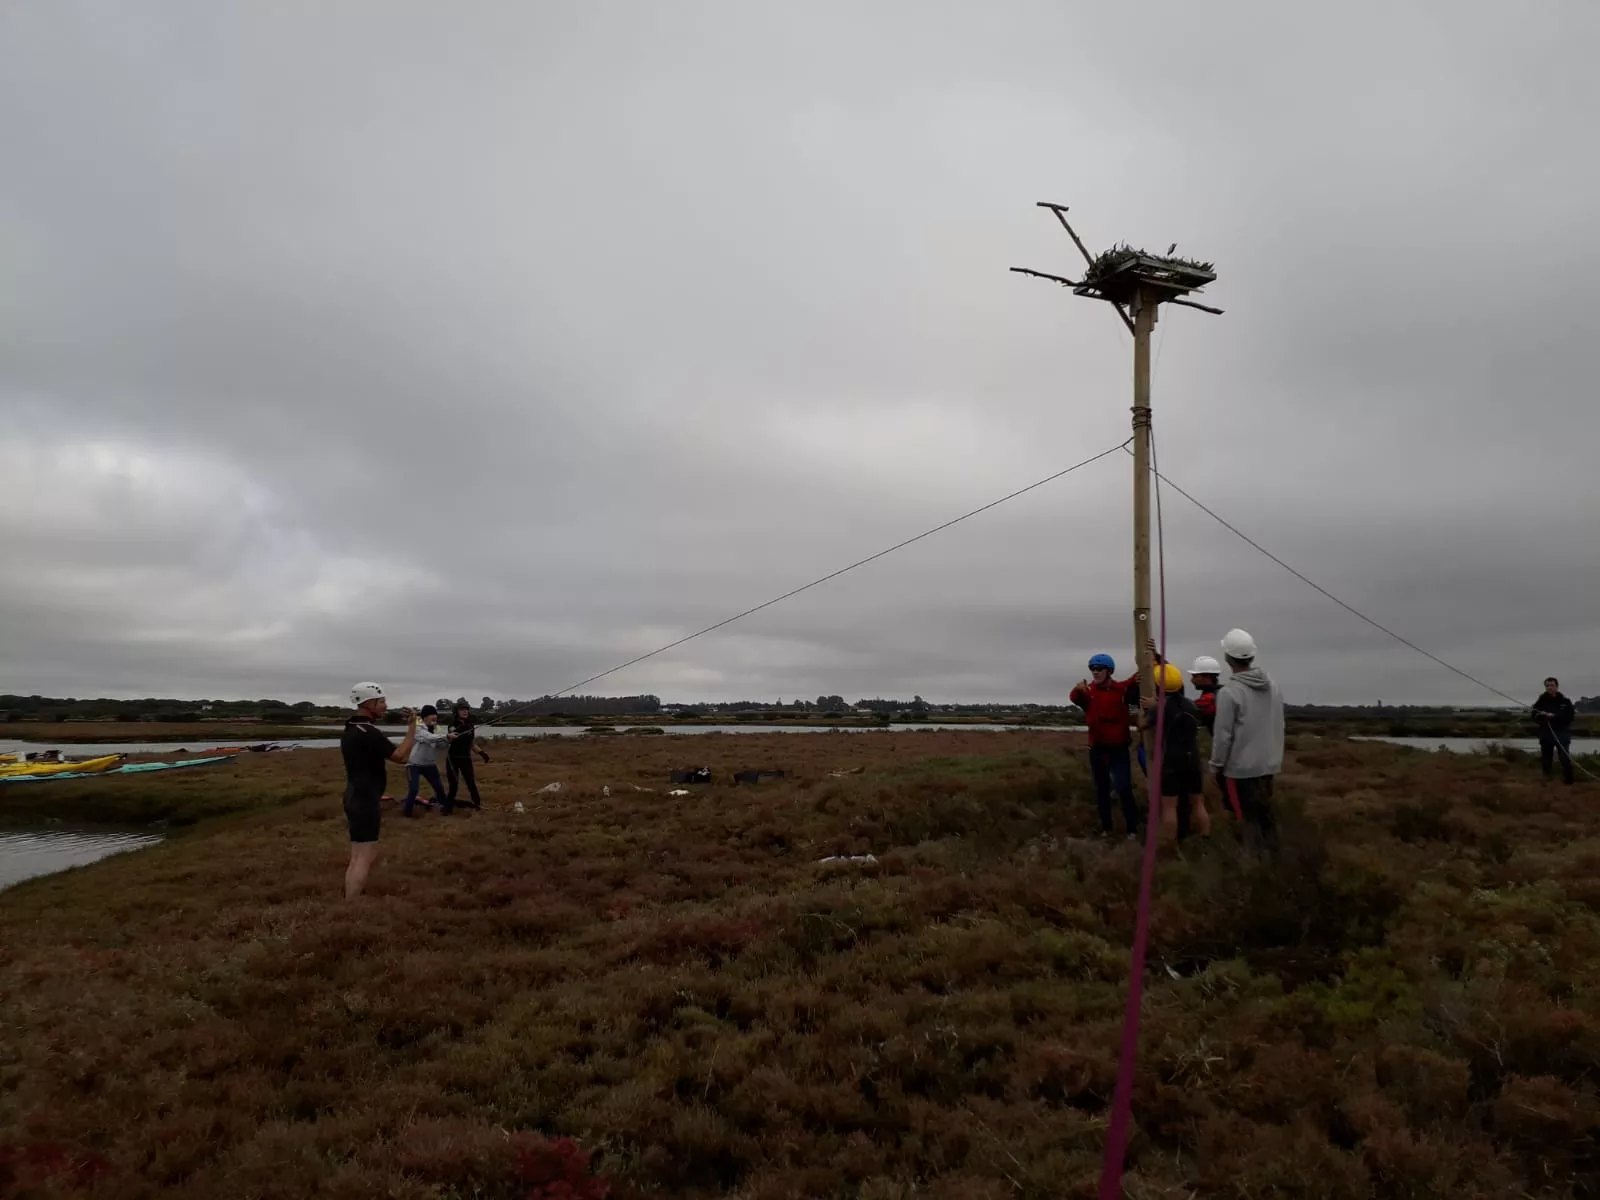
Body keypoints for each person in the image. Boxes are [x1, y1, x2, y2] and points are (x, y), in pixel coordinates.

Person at [1209, 628, 1285, 852]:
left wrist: (1216, 767)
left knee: (1247, 820)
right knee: (1265, 816)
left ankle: (1254, 867)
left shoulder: (1229, 692)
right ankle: (1275, 862)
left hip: (1240, 770)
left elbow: (1223, 736)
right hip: (1268, 765)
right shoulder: (1272, 685)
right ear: (1252, 655)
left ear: (1226, 657)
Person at [342, 682, 419, 899]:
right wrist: (413, 726)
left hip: (355, 795)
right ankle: (351, 906)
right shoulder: (368, 732)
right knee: (364, 856)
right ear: (369, 703)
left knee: (358, 855)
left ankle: (351, 899)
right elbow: (401, 757)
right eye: (382, 701)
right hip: (365, 799)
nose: (386, 706)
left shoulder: (352, 728)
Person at [1070, 653, 1141, 838]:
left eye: (1099, 669)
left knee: (1123, 787)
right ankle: (1106, 829)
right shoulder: (1088, 692)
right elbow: (1075, 697)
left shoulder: (1121, 689)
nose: (1095, 672)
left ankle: (1132, 828)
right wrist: (1078, 691)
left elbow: (1143, 673)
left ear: (1109, 671)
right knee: (1101, 789)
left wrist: (1152, 654)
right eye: (1093, 669)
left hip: (1119, 749)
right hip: (1097, 749)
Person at [1143, 662, 1206, 843]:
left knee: (1169, 806)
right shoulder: (1191, 706)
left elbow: (1143, 726)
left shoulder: (1159, 708)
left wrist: (1146, 711)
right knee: (1198, 803)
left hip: (1172, 760)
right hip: (1192, 758)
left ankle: (1169, 845)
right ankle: (1205, 840)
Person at [402, 705, 451, 816]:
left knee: (439, 787)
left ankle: (443, 809)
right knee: (414, 789)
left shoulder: (437, 729)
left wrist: (449, 740)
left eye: (435, 715)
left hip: (430, 764)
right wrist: (446, 737)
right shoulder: (418, 728)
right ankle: (407, 813)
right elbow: (428, 737)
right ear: (424, 718)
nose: (434, 717)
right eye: (431, 715)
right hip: (413, 764)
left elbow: (442, 745)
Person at [446, 701, 492, 810]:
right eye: (462, 709)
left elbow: (472, 743)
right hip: (453, 759)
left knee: (471, 783)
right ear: (456, 712)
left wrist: (482, 753)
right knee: (454, 785)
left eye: (466, 709)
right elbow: (453, 737)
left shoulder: (470, 725)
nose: (465, 711)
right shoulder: (452, 724)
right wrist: (462, 728)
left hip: (465, 758)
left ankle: (477, 805)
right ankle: (447, 808)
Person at [1532, 677, 1576, 786]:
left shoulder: (1565, 701)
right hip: (1546, 734)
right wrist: (1541, 716)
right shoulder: (1541, 701)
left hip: (1562, 734)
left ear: (1556, 686)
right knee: (1546, 759)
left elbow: (1569, 717)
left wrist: (1554, 717)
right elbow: (1534, 715)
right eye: (1547, 686)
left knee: (1564, 758)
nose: (1549, 688)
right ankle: (1547, 782)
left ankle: (1569, 783)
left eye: (1552, 685)